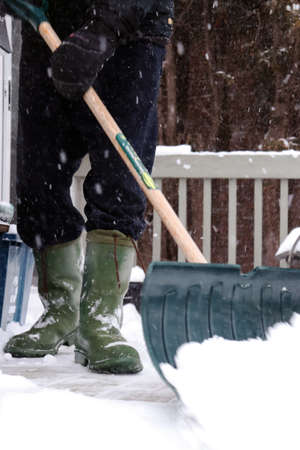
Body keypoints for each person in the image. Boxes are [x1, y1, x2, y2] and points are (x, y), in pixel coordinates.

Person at [4, 0, 174, 374]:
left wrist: (102, 31)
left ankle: (100, 319)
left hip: (131, 33)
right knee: (38, 177)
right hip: (48, 26)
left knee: (120, 179)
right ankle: (61, 311)